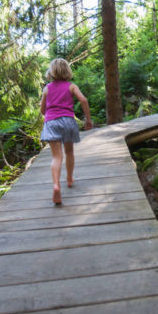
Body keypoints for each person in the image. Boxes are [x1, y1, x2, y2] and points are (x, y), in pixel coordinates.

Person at [39, 58, 92, 205]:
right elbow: (84, 100)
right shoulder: (71, 86)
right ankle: (69, 179)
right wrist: (88, 119)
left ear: (52, 71)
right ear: (67, 71)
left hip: (52, 122)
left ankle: (56, 185)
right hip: (68, 121)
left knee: (56, 157)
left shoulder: (47, 88)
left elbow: (43, 110)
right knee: (69, 152)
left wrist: (50, 112)